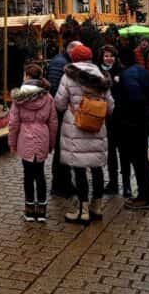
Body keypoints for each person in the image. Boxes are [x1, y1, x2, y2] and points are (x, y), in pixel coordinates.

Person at [54, 43, 115, 224]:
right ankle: (97, 206)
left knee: (79, 169)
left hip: (75, 127)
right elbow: (110, 107)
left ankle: (83, 209)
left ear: (74, 58)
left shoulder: (68, 77)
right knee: (97, 168)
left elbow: (59, 103)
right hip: (96, 127)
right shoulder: (102, 77)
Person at [8, 64, 58, 222]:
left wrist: (12, 142)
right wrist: (51, 143)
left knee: (28, 174)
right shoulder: (48, 97)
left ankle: (29, 209)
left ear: (27, 77)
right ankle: (42, 210)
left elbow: (13, 123)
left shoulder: (19, 97)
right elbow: (53, 122)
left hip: (25, 137)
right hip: (42, 136)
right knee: (40, 174)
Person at [118, 46, 149, 210]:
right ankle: (146, 195)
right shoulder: (142, 71)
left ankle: (145, 197)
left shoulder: (127, 75)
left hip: (134, 125)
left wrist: (126, 119)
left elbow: (135, 99)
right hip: (144, 122)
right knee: (142, 162)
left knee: (139, 162)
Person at [46, 40, 78, 197]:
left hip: (62, 112)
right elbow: (54, 87)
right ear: (71, 50)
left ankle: (63, 183)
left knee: (63, 149)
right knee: (61, 149)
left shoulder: (63, 61)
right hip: (59, 113)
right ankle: (60, 185)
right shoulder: (61, 63)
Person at [99, 45, 127, 195]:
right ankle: (113, 182)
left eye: (111, 56)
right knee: (109, 152)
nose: (108, 58)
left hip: (119, 116)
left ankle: (126, 183)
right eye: (105, 56)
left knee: (122, 151)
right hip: (104, 117)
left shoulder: (121, 71)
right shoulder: (98, 72)